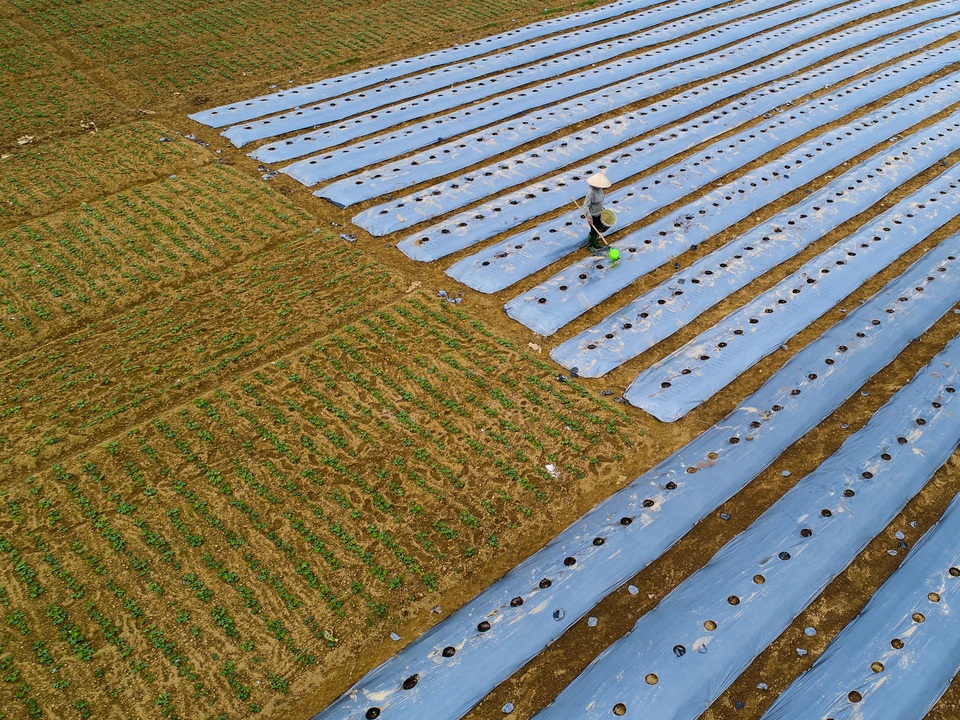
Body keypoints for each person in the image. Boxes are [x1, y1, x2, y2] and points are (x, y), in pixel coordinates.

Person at [584, 172, 612, 248]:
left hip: (600, 213)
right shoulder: (591, 193)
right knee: (593, 231)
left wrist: (603, 209)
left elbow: (600, 202)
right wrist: (589, 217)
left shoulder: (600, 190)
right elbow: (586, 206)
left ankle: (595, 243)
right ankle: (590, 245)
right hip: (593, 215)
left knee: (598, 229)